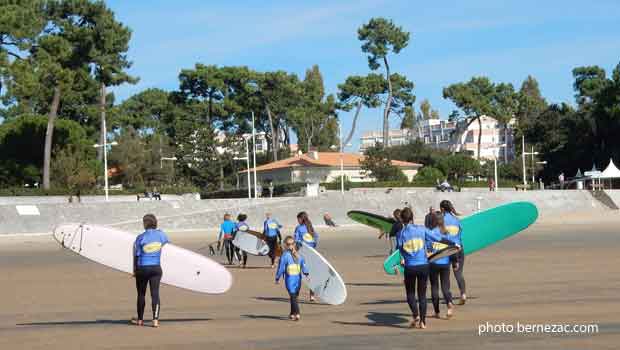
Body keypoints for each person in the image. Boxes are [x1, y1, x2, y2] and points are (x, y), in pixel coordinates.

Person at [396, 207, 455, 329]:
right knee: (422, 295)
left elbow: (400, 249)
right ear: (412, 218)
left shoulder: (400, 234)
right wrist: (452, 244)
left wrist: (404, 258)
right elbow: (438, 238)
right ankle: (423, 322)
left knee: (410, 294)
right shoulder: (422, 230)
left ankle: (415, 314)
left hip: (410, 267)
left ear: (402, 219)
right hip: (423, 266)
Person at [132, 214, 169, 328]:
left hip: (143, 268)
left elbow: (136, 255)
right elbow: (166, 242)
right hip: (156, 268)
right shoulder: (161, 235)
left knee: (141, 294)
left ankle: (140, 320)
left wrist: (135, 270)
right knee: (155, 294)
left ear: (145, 223)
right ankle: (155, 320)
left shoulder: (140, 237)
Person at [427, 211, 455, 319]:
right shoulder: (446, 233)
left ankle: (437, 312)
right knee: (445, 287)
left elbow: (428, 249)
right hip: (445, 263)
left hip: (434, 263)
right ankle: (449, 305)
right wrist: (454, 262)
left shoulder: (430, 233)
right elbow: (451, 249)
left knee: (434, 288)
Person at [275, 235, 309, 321]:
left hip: (290, 280)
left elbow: (281, 268)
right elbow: (304, 267)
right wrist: (306, 274)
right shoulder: (299, 255)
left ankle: (297, 313)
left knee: (293, 296)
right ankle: (292, 313)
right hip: (298, 280)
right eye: (289, 244)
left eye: (291, 244)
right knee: (294, 297)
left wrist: (277, 278)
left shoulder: (285, 256)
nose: (290, 245)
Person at [440, 199, 467, 305]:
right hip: (459, 249)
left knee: (445, 275)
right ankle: (463, 294)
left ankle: (448, 299)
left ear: (442, 209)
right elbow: (460, 232)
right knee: (458, 273)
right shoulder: (456, 220)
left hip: (447, 250)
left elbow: (440, 236)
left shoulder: (441, 220)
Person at [294, 211, 318, 302]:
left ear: (301, 219)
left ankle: (296, 295)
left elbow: (296, 241)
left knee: (299, 276)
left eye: (298, 219)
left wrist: (295, 253)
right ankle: (312, 296)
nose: (297, 221)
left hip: (302, 254)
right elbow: (315, 241)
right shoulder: (311, 228)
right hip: (312, 255)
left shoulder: (298, 228)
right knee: (311, 276)